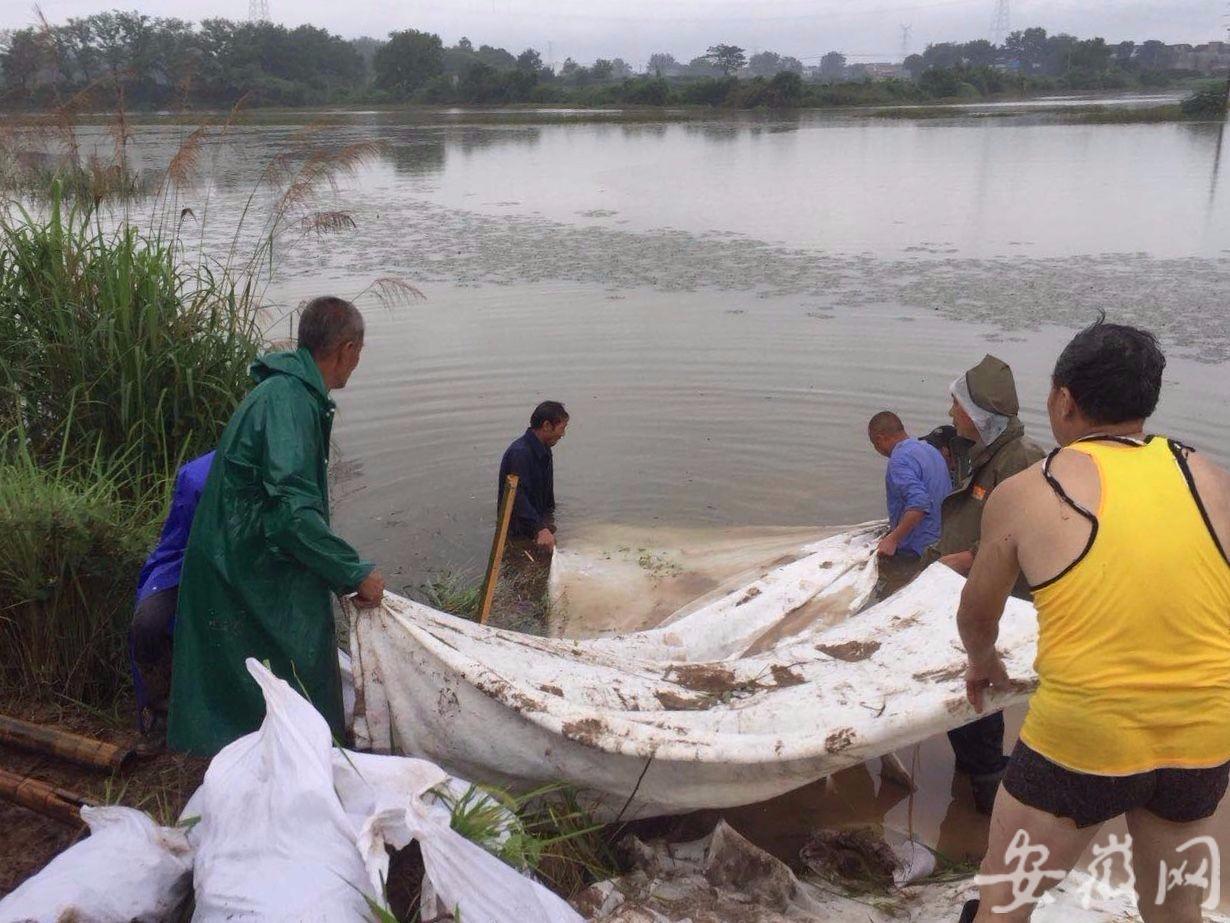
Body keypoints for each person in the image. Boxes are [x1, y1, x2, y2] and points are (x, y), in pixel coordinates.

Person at [957, 319, 1230, 922]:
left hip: (1079, 746)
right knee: (1175, 911)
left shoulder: (1031, 489)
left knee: (1003, 904)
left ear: (1063, 400)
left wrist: (985, 662)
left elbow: (978, 616)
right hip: (1202, 741)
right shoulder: (1212, 480)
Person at [168, 297, 385, 757]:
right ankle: (304, 754)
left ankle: (266, 750)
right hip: (244, 560)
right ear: (346, 349)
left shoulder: (288, 391)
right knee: (305, 651)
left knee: (257, 671)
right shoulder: (288, 402)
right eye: (359, 353)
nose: (357, 364)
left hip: (241, 551)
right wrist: (352, 570)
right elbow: (292, 513)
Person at [924, 354, 1045, 814]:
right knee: (966, 682)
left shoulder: (1022, 460)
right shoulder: (984, 452)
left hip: (1002, 600)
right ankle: (972, 769)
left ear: (978, 416)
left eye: (957, 406)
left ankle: (989, 785)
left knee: (983, 689)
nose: (951, 413)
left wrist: (970, 557)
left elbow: (1030, 533)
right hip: (966, 587)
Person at [130, 450, 214, 739]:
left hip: (243, 569)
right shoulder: (196, 476)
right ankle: (160, 709)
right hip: (186, 562)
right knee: (148, 623)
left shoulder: (272, 476)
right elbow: (177, 538)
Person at [868, 412, 952, 597]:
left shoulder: (899, 460)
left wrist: (893, 539)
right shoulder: (929, 450)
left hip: (916, 550)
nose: (878, 450)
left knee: (893, 597)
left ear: (881, 438)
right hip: (941, 542)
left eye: (875, 444)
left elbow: (919, 504)